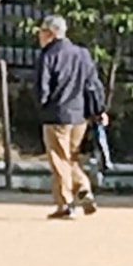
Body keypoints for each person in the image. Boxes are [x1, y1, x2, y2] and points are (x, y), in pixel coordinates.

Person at [34, 14, 105, 220]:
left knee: (59, 160)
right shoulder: (82, 54)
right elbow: (93, 84)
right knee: (70, 157)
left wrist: (42, 105)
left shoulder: (48, 55)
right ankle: (82, 190)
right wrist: (99, 110)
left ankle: (66, 203)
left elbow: (42, 87)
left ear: (51, 33)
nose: (40, 36)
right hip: (79, 115)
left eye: (42, 32)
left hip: (56, 115)